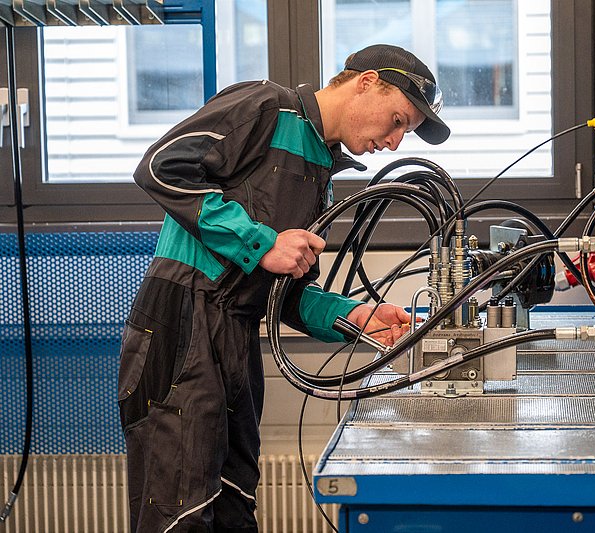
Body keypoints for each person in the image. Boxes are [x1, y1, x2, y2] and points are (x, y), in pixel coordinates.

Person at [117, 44, 450, 532]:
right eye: (398, 121)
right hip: (182, 322)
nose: (396, 142)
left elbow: (285, 296)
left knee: (233, 506)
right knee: (178, 514)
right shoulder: (265, 107)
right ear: (367, 82)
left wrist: (355, 316)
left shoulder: (321, 174)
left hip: (236, 335)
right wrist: (261, 242)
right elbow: (160, 166)